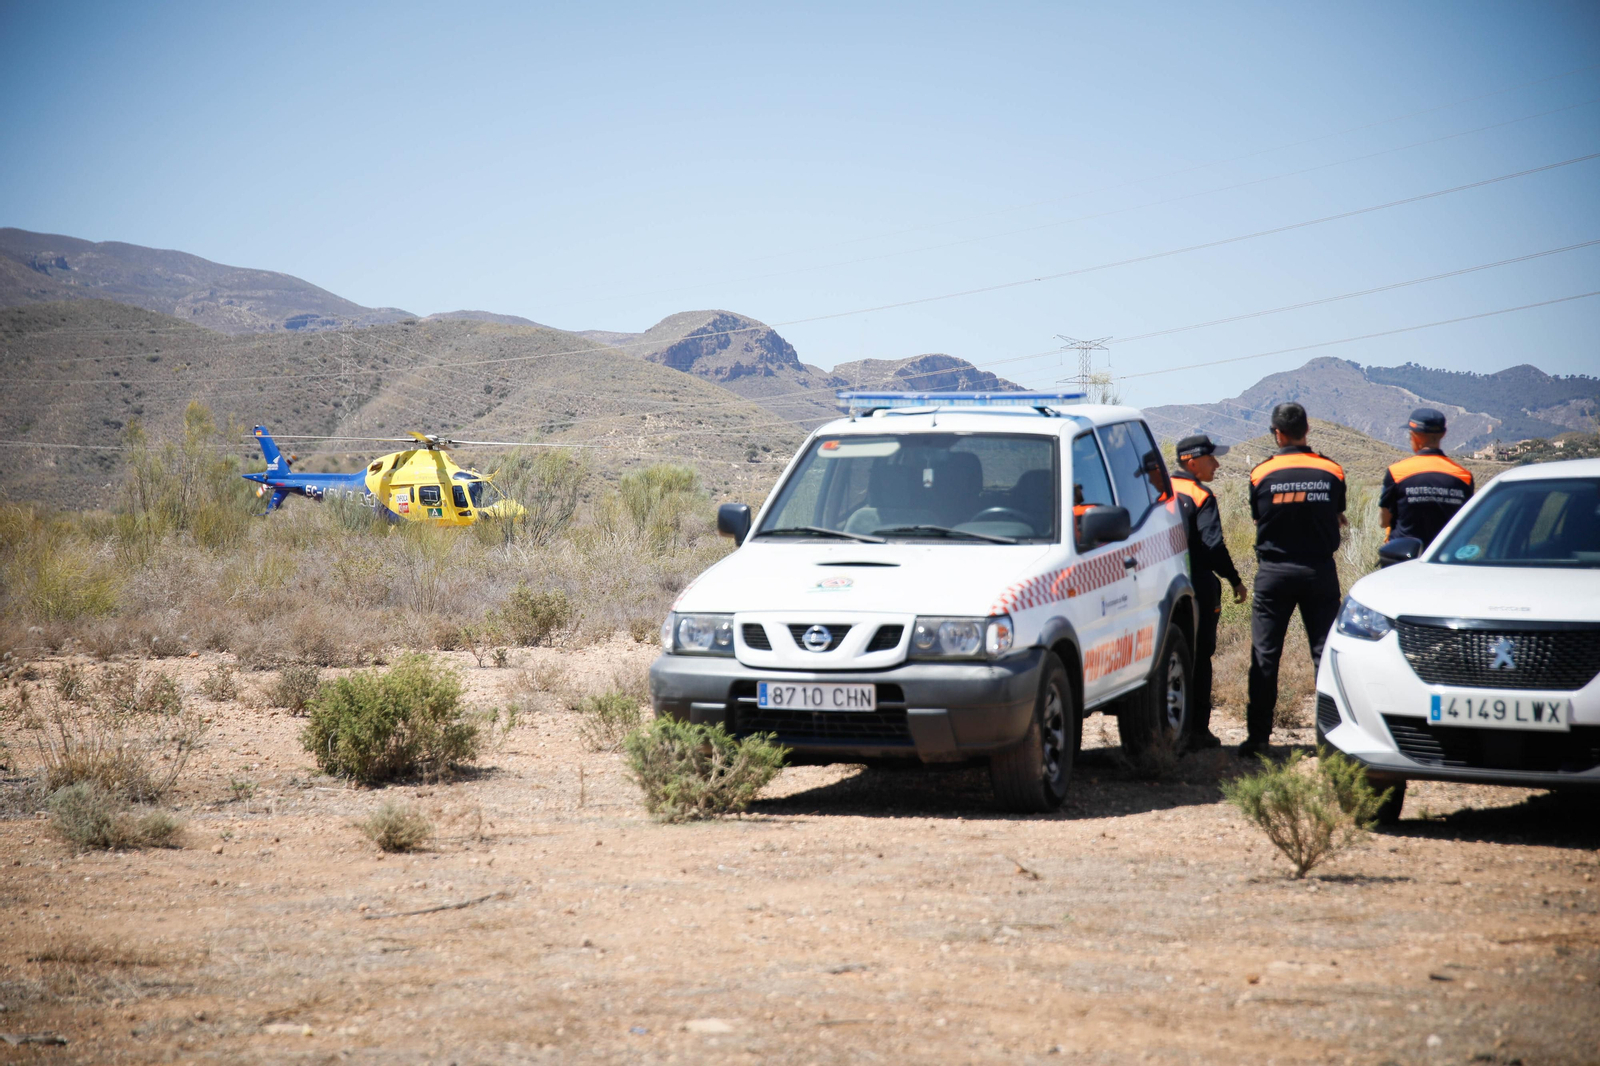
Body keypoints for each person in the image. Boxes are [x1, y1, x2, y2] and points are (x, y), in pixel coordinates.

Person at [1243, 403, 1347, 758]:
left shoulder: (1261, 474)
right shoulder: (1332, 470)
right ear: (1308, 430)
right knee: (1325, 655)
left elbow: (1260, 518)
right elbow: (1338, 514)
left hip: (1274, 573)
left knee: (1265, 655)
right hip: (1319, 571)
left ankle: (1258, 739)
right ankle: (1332, 740)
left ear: (1277, 433)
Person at [1170, 434, 1247, 751]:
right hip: (1197, 584)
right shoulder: (1200, 495)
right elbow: (1213, 545)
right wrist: (1234, 579)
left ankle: (1166, 727)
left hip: (1157, 584)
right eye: (1211, 458)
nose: (1216, 464)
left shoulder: (1156, 490)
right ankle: (1197, 732)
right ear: (1192, 461)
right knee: (1200, 656)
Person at [1379, 407, 1474, 549]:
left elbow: (1383, 521)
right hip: (1447, 559)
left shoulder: (1397, 472)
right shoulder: (1464, 477)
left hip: (1403, 560)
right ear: (1443, 434)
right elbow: (1467, 524)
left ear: (1414, 435)